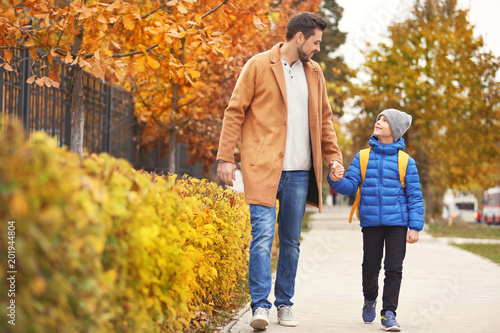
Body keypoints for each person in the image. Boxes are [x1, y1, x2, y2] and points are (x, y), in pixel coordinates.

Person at [216, 12, 343, 330]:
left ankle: (285, 304)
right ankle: (260, 306)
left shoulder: (315, 73)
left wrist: (333, 158)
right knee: (261, 238)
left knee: (290, 242)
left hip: (300, 173)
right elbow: (234, 112)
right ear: (299, 37)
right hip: (262, 168)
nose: (317, 48)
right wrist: (225, 158)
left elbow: (324, 120)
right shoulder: (258, 65)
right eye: (315, 42)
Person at [328, 109, 424, 332]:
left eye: (384, 120)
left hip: (397, 225)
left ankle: (389, 313)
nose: (378, 121)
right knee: (370, 267)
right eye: (378, 117)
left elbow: (414, 196)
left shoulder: (405, 162)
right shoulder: (363, 157)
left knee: (394, 268)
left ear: (395, 130)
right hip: (371, 222)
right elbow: (350, 185)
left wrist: (415, 227)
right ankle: (369, 298)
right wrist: (335, 179)